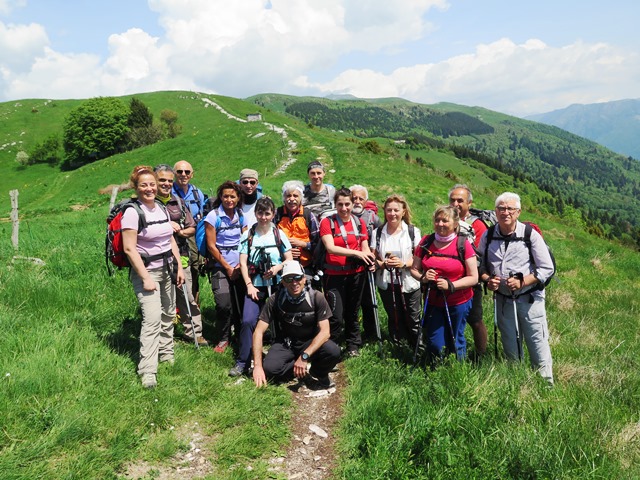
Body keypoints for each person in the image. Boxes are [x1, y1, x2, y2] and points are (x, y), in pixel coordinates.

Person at [478, 192, 554, 385]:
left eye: (510, 209)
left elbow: (547, 267)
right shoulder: (488, 235)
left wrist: (524, 281)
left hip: (529, 300)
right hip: (502, 299)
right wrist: (487, 279)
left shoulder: (530, 235)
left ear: (518, 212)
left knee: (537, 342)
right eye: (501, 208)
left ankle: (546, 386)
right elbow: (480, 265)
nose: (506, 212)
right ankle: (518, 384)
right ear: (495, 211)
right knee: (510, 343)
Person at [122, 165, 185, 389]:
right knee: (152, 319)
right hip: (147, 272)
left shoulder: (160, 207)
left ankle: (167, 354)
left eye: (152, 184)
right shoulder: (132, 212)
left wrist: (178, 267)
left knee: (168, 313)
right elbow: (129, 249)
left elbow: (170, 240)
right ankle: (148, 370)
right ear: (136, 188)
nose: (149, 189)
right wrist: (146, 278)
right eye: (144, 185)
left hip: (167, 268)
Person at [252, 260, 340, 389]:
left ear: (304, 279)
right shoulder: (275, 300)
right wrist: (258, 367)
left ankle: (318, 372)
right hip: (286, 343)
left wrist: (304, 357)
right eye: (288, 279)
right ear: (282, 281)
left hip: (310, 341)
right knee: (270, 370)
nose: (294, 283)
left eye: (297, 278)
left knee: (333, 351)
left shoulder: (317, 297)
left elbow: (325, 332)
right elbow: (258, 332)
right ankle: (298, 370)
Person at [231, 197, 293, 376]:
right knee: (248, 321)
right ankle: (243, 361)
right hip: (255, 286)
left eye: (267, 213)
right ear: (256, 214)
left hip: (277, 285)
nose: (263, 217)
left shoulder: (279, 234)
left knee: (281, 322)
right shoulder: (248, 235)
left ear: (273, 214)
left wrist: (277, 268)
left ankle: (283, 355)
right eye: (260, 213)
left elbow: (289, 259)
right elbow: (243, 263)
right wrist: (249, 285)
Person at [410, 205, 478, 362]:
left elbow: (474, 277)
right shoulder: (426, 242)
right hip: (433, 301)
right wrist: (424, 278)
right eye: (437, 220)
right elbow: (414, 269)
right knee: (435, 343)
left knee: (455, 339)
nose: (440, 224)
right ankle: (435, 369)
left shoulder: (463, 244)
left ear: (455, 224)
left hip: (458, 301)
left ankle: (458, 371)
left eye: (445, 221)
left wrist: (451, 285)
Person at [154, 164, 208, 347]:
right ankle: (164, 337)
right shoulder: (146, 203)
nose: (166, 184)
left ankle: (194, 332)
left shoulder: (178, 201)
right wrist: (165, 227)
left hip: (181, 256)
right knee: (162, 300)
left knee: (187, 297)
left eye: (169, 181)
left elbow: (192, 227)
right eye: (162, 180)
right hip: (154, 260)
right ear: (154, 180)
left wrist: (181, 232)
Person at [319, 187, 376, 357]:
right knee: (336, 314)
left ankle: (353, 345)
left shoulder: (360, 223)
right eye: (340, 204)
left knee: (352, 311)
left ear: (353, 203)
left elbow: (365, 246)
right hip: (334, 275)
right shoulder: (327, 222)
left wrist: (369, 259)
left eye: (347, 204)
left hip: (356, 274)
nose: (344, 208)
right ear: (335, 205)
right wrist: (356, 253)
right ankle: (332, 347)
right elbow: (330, 248)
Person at [370, 195, 422, 347]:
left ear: (403, 211)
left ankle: (417, 346)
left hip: (410, 281)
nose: (392, 213)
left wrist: (403, 264)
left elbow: (418, 258)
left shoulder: (412, 231)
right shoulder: (377, 233)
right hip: (387, 282)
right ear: (384, 212)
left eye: (396, 210)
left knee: (413, 317)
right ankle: (398, 345)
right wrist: (383, 264)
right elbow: (373, 257)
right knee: (394, 316)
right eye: (389, 210)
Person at [204, 181, 247, 353]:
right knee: (223, 304)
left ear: (238, 198)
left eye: (232, 196)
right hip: (220, 267)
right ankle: (223, 338)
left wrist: (239, 264)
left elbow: (245, 240)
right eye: (225, 196)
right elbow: (211, 246)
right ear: (220, 197)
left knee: (240, 303)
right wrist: (228, 267)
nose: (229, 199)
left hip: (239, 266)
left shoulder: (241, 215)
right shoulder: (213, 217)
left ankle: (239, 335)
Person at [449, 184, 488, 359]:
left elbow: (480, 254)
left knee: (475, 319)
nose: (456, 204)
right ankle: (452, 350)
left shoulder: (478, 226)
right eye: (453, 200)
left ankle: (480, 354)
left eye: (460, 200)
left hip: (471, 281)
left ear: (469, 203)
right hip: (450, 280)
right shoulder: (446, 219)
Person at [350, 184, 382, 342]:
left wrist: (376, 260)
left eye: (360, 198)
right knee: (352, 301)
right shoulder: (343, 215)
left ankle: (372, 333)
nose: (356, 201)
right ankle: (352, 333)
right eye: (353, 198)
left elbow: (380, 238)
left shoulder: (372, 218)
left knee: (369, 301)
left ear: (366, 200)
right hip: (348, 265)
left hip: (368, 265)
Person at [172, 160, 206, 304]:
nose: (183, 175)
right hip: (175, 238)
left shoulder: (197, 193)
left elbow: (203, 218)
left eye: (187, 172)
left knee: (195, 269)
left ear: (192, 174)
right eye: (180, 172)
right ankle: (177, 308)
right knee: (177, 270)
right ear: (174, 174)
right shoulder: (169, 192)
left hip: (195, 237)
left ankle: (194, 304)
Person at [274, 180, 320, 277]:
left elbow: (318, 244)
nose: (292, 199)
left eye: (295, 196)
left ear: (301, 198)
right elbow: (270, 240)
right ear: (284, 198)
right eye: (288, 196)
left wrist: (303, 244)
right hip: (282, 266)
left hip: (305, 266)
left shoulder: (308, 215)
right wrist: (286, 252)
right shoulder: (277, 214)